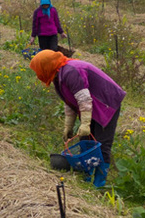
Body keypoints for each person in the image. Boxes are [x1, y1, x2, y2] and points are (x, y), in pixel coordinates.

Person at [30, 49, 126, 187]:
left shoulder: (71, 71)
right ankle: (86, 177)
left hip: (106, 102)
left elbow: (83, 98)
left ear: (45, 66)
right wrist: (68, 126)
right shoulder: (58, 75)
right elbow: (70, 101)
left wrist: (85, 123)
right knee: (85, 140)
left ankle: (99, 182)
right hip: (90, 104)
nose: (37, 74)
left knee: (101, 142)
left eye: (38, 70)